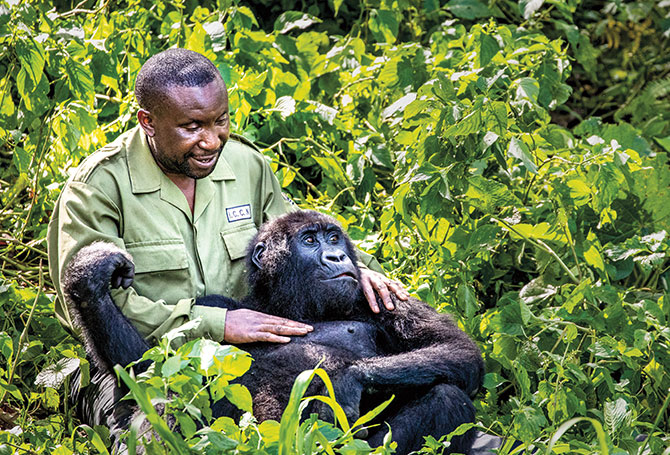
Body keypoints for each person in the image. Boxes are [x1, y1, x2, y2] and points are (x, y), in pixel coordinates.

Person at [46, 48, 409, 448]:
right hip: (133, 360)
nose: (211, 140)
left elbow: (296, 240)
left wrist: (360, 271)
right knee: (157, 439)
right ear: (148, 122)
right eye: (192, 127)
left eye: (221, 121)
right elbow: (98, 305)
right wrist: (216, 325)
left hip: (252, 350)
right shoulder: (99, 186)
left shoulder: (246, 163)